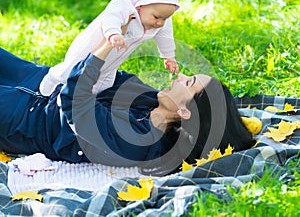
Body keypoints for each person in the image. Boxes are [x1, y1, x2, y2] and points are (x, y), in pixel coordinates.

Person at [0, 37, 255, 176]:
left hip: (28, 120)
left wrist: (106, 46)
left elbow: (75, 103)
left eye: (187, 82)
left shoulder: (140, 141)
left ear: (184, 112)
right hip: (40, 80)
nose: (179, 77)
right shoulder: (151, 101)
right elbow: (113, 77)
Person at [39, 0, 180, 96]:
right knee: (71, 72)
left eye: (165, 18)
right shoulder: (124, 5)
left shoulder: (160, 17)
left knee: (104, 85)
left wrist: (168, 56)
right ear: (140, 5)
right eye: (156, 17)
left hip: (112, 62)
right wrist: (113, 33)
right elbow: (110, 17)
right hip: (91, 50)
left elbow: (166, 34)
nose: (160, 23)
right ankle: (53, 77)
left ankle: (87, 101)